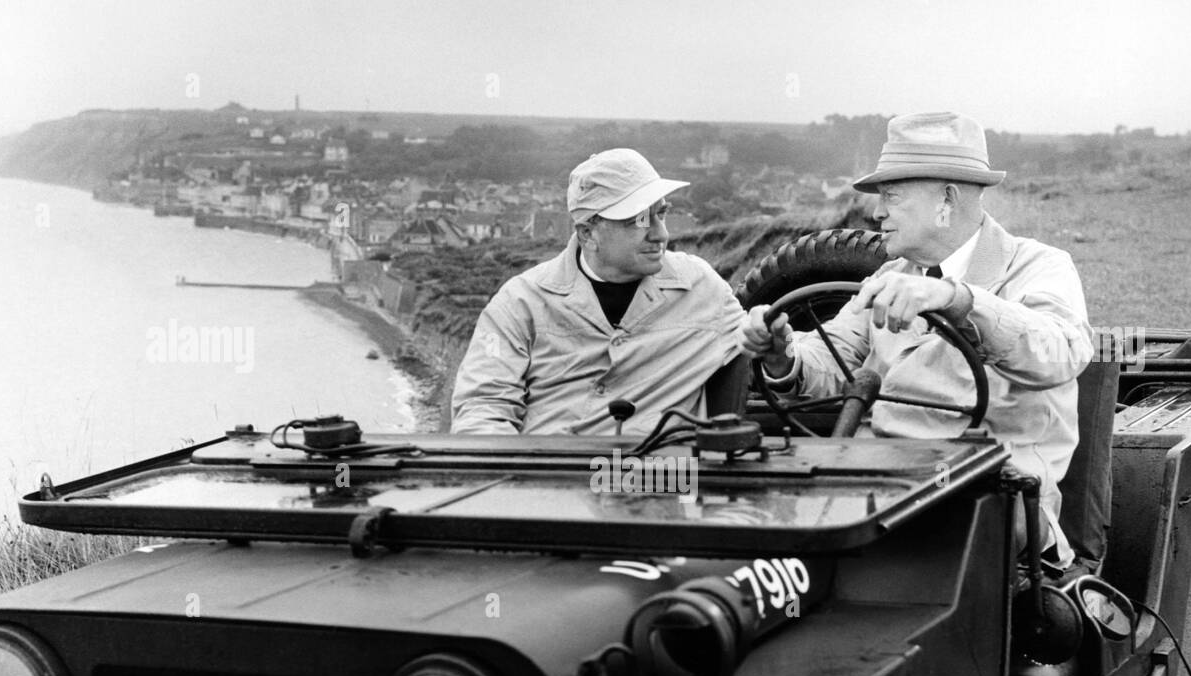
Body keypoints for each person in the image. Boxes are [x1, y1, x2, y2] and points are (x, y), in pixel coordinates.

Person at [741, 111, 1093, 565]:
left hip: (994, 498)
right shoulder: (892, 276)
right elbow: (835, 357)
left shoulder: (1039, 267)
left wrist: (955, 298)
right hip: (878, 484)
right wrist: (781, 354)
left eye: (892, 196)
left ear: (947, 198)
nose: (877, 211)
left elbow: (1061, 351)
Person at [451, 148, 746, 436]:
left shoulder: (701, 288)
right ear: (588, 233)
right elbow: (483, 410)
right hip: (550, 474)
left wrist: (781, 355)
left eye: (661, 214)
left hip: (661, 476)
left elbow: (771, 355)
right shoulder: (520, 303)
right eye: (639, 220)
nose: (661, 234)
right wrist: (516, 479)